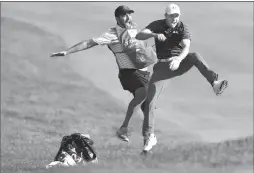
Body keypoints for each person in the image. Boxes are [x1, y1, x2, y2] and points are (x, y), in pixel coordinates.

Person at [50, 5, 156, 143]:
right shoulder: (112, 34)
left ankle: (147, 141)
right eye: (125, 15)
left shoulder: (134, 29)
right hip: (128, 73)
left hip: (143, 73)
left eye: (130, 14)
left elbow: (142, 49)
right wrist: (67, 51)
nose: (128, 17)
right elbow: (89, 43)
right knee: (144, 93)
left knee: (149, 105)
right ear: (117, 18)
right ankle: (124, 128)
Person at [135, 3, 228, 152]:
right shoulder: (157, 25)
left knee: (194, 56)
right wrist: (154, 35)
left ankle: (214, 83)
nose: (174, 19)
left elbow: (186, 47)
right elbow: (139, 35)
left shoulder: (182, 27)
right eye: (171, 16)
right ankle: (148, 138)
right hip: (162, 68)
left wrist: (178, 59)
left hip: (178, 62)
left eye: (176, 16)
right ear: (166, 16)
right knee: (150, 102)